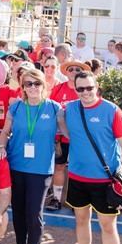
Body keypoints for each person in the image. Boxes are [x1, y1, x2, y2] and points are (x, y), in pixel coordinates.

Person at [63, 71, 122, 244]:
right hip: (77, 177)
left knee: (108, 226)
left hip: (104, 181)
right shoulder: (70, 109)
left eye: (89, 88)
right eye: (80, 89)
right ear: (75, 89)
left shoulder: (112, 111)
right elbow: (62, 123)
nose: (85, 92)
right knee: (81, 220)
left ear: (97, 87)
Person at [0, 69, 63, 244]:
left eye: (36, 83)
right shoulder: (16, 107)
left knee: (34, 212)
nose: (32, 87)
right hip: (16, 166)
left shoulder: (54, 108)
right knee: (18, 211)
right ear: (23, 87)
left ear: (43, 85)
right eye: (28, 84)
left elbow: (68, 131)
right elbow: (5, 132)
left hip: (41, 169)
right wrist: (1, 146)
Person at [46, 60, 91, 211]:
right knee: (59, 167)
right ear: (66, 72)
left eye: (77, 69)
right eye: (70, 69)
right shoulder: (58, 89)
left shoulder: (85, 91)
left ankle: (77, 201)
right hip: (60, 138)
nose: (73, 71)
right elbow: (51, 111)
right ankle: (56, 199)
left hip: (80, 138)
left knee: (79, 169)